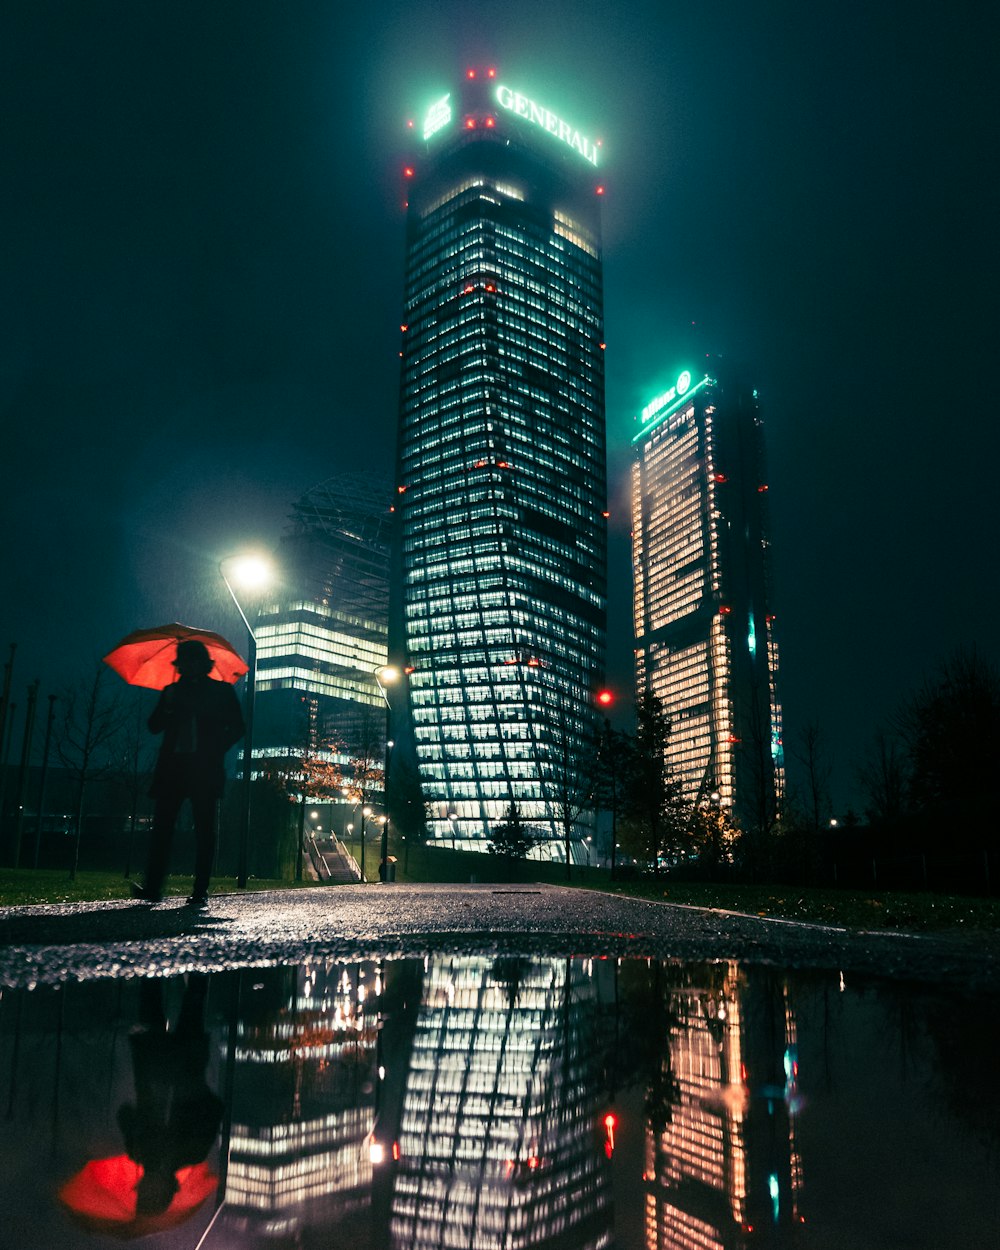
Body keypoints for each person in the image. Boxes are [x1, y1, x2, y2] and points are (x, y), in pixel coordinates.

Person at [133, 639, 244, 905]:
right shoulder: (171, 691)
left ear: (203, 664)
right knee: (162, 829)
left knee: (204, 830)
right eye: (184, 662)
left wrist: (216, 749)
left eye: (192, 661)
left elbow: (238, 727)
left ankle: (199, 889)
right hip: (173, 769)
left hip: (204, 769)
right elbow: (153, 726)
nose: (187, 666)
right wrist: (168, 705)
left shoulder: (221, 691)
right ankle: (153, 887)